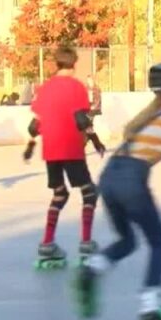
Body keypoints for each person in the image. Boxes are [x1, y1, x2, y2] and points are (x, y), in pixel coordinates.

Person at [75, 63, 161, 320]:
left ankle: (91, 269)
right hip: (132, 181)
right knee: (158, 243)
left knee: (128, 241)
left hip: (109, 178)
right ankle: (150, 312)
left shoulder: (146, 117)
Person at [28, 47, 106, 268]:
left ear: (56, 64)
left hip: (51, 150)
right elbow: (81, 119)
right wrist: (96, 139)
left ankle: (47, 243)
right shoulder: (76, 86)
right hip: (71, 147)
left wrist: (30, 144)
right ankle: (86, 242)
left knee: (60, 194)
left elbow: (35, 125)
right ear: (73, 65)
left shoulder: (44, 88)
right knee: (89, 193)